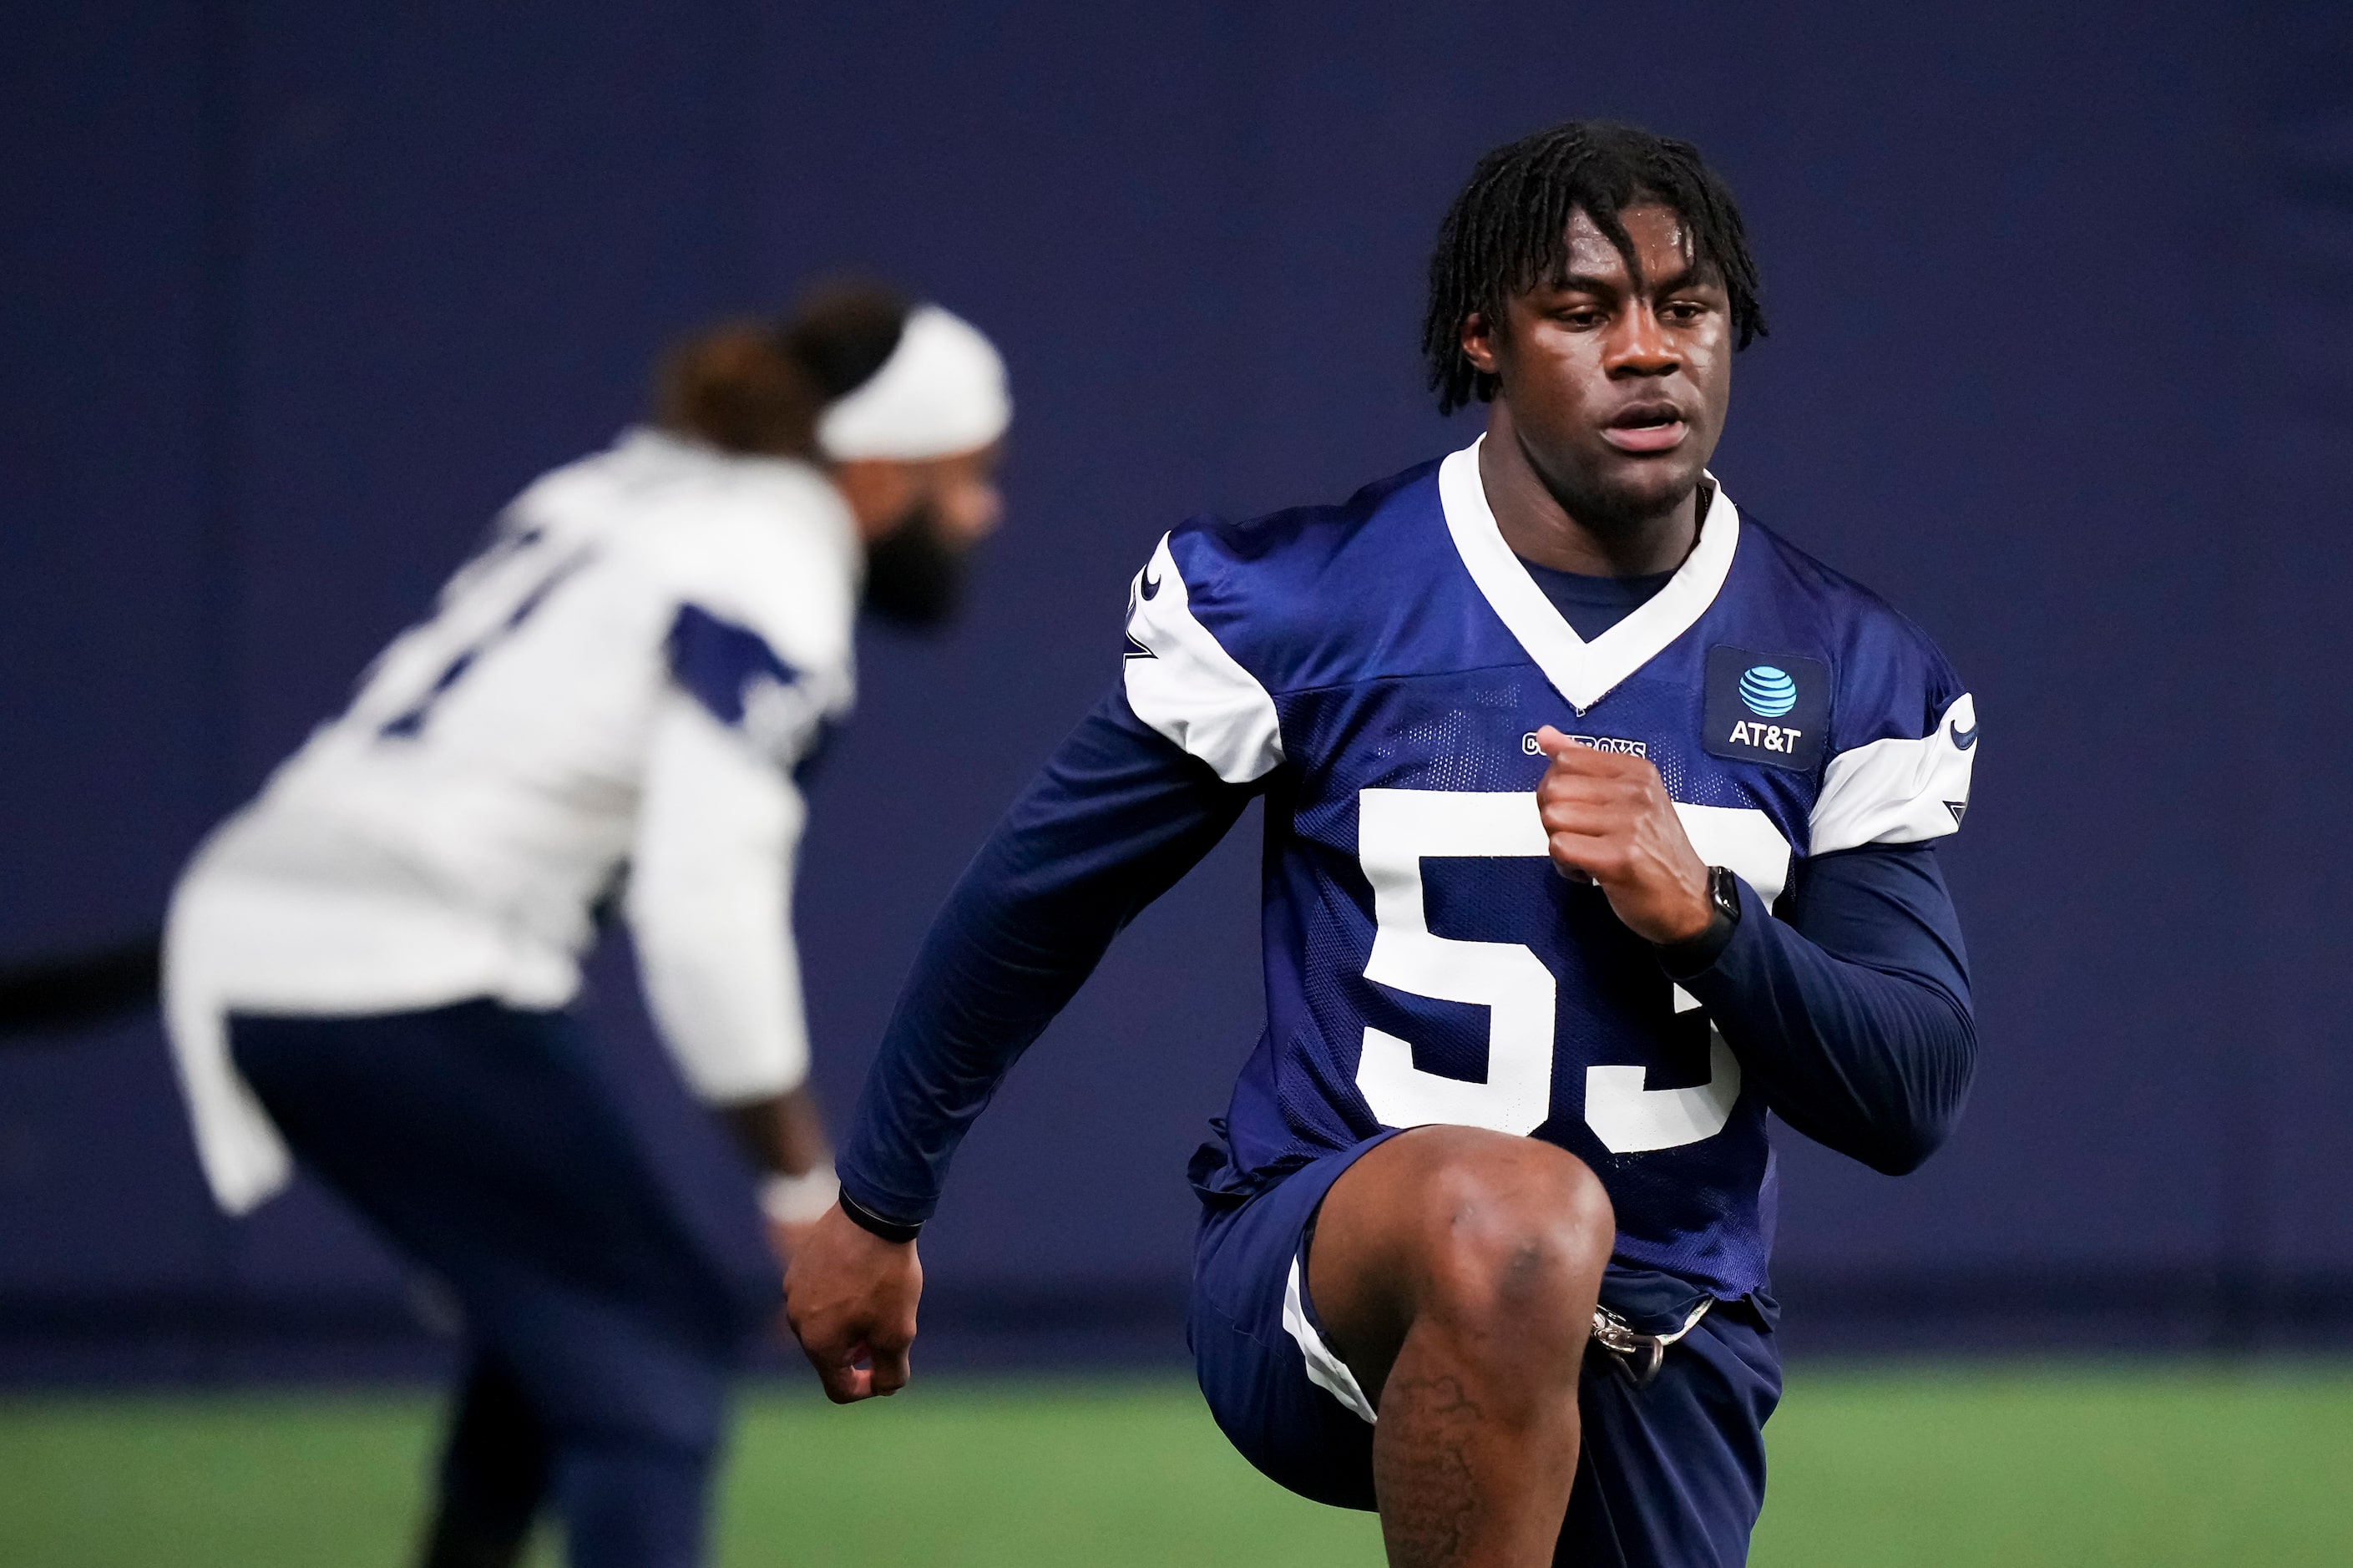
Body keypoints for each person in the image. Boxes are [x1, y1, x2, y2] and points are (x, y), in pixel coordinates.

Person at [786, 121, 1978, 1567]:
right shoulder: (1319, 603)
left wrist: (1710, 918)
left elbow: (1908, 1089)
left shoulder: (1837, 662)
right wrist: (878, 1202)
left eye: (1686, 305)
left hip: (1668, 1318)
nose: (1649, 351)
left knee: (1553, 1248)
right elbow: (1037, 903)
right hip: (1325, 1260)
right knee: (1517, 1216)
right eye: (1585, 309)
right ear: (1484, 337)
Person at [160, 284, 1010, 1568]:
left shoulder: (628, 489)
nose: (981, 512)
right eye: (966, 475)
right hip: (390, 967)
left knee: (561, 1314)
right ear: (882, 468)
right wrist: (801, 1185)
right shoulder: (773, 564)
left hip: (280, 928)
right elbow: (700, 904)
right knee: (652, 1344)